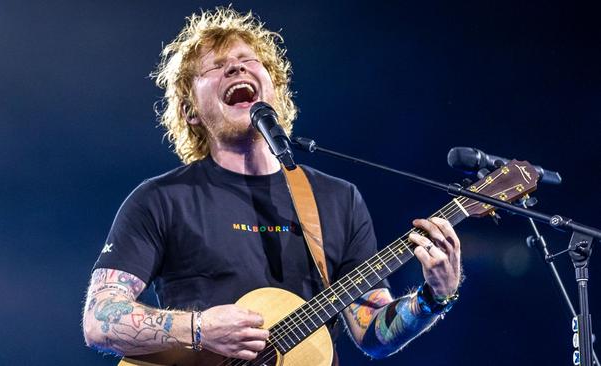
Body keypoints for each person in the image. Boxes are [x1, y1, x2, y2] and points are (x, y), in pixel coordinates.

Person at [82, 7, 462, 363]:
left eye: (248, 61)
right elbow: (99, 318)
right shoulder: (162, 199)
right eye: (215, 67)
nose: (235, 68)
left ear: (274, 87)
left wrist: (433, 297)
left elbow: (371, 331)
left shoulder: (337, 199)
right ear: (190, 112)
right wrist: (198, 330)